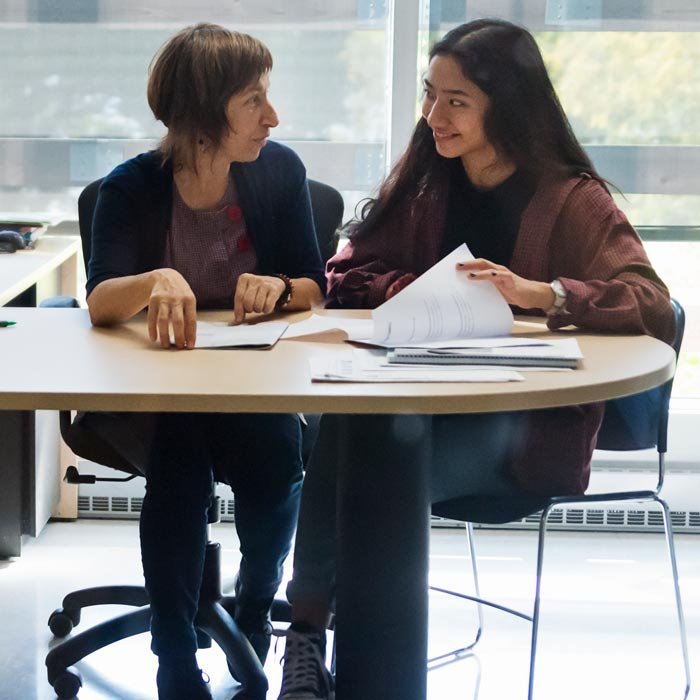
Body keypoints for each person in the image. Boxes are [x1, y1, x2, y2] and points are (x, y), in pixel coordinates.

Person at [275, 18, 675, 700]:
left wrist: (542, 293)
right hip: (417, 407)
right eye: (430, 96)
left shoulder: (572, 199)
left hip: (519, 430)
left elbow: (650, 302)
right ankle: (317, 643)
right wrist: (409, 289)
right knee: (352, 427)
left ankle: (320, 638)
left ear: (507, 107)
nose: (433, 115)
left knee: (365, 469)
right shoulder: (432, 181)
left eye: (455, 101)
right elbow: (345, 270)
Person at [84, 23, 325, 700]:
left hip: (253, 384)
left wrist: (279, 287)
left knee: (277, 462)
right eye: (254, 101)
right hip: (163, 390)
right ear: (203, 113)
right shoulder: (132, 186)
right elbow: (102, 301)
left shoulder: (278, 172)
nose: (272, 117)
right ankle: (173, 657)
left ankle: (253, 609)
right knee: (179, 466)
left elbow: (314, 284)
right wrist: (154, 278)